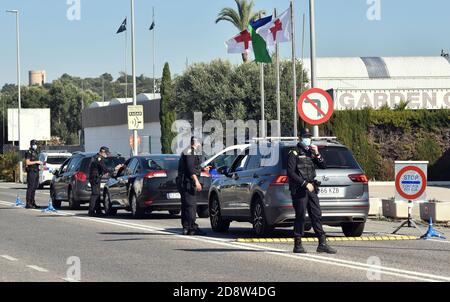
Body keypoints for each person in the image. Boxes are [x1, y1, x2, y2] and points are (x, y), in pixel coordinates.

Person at [287, 128, 337, 254]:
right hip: (300, 189)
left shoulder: (310, 152)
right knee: (300, 216)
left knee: (317, 214)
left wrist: (317, 153)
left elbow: (323, 165)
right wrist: (304, 184)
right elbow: (290, 173)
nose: (308, 139)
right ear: (300, 138)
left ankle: (322, 243)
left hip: (311, 188)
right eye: (305, 137)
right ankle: (297, 244)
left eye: (309, 137)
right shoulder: (294, 153)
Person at [177, 137, 206, 236]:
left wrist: (202, 169)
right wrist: (196, 181)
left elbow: (191, 166)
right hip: (188, 183)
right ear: (196, 143)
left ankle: (186, 228)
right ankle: (192, 227)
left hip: (184, 182)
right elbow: (190, 169)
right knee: (191, 206)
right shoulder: (190, 152)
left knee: (185, 205)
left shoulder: (188, 151)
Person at [88, 146, 123, 217]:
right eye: (106, 153)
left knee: (97, 194)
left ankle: (98, 211)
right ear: (102, 152)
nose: (106, 154)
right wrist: (115, 168)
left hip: (95, 178)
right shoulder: (99, 158)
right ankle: (91, 211)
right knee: (95, 195)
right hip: (95, 178)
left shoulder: (97, 157)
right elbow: (104, 168)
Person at [24, 140, 42, 209]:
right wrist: (36, 162)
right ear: (32, 145)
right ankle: (28, 203)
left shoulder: (36, 152)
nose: (36, 145)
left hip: (36, 171)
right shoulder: (29, 152)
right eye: (35, 144)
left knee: (34, 187)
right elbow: (27, 163)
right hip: (31, 171)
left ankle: (33, 202)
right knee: (30, 187)